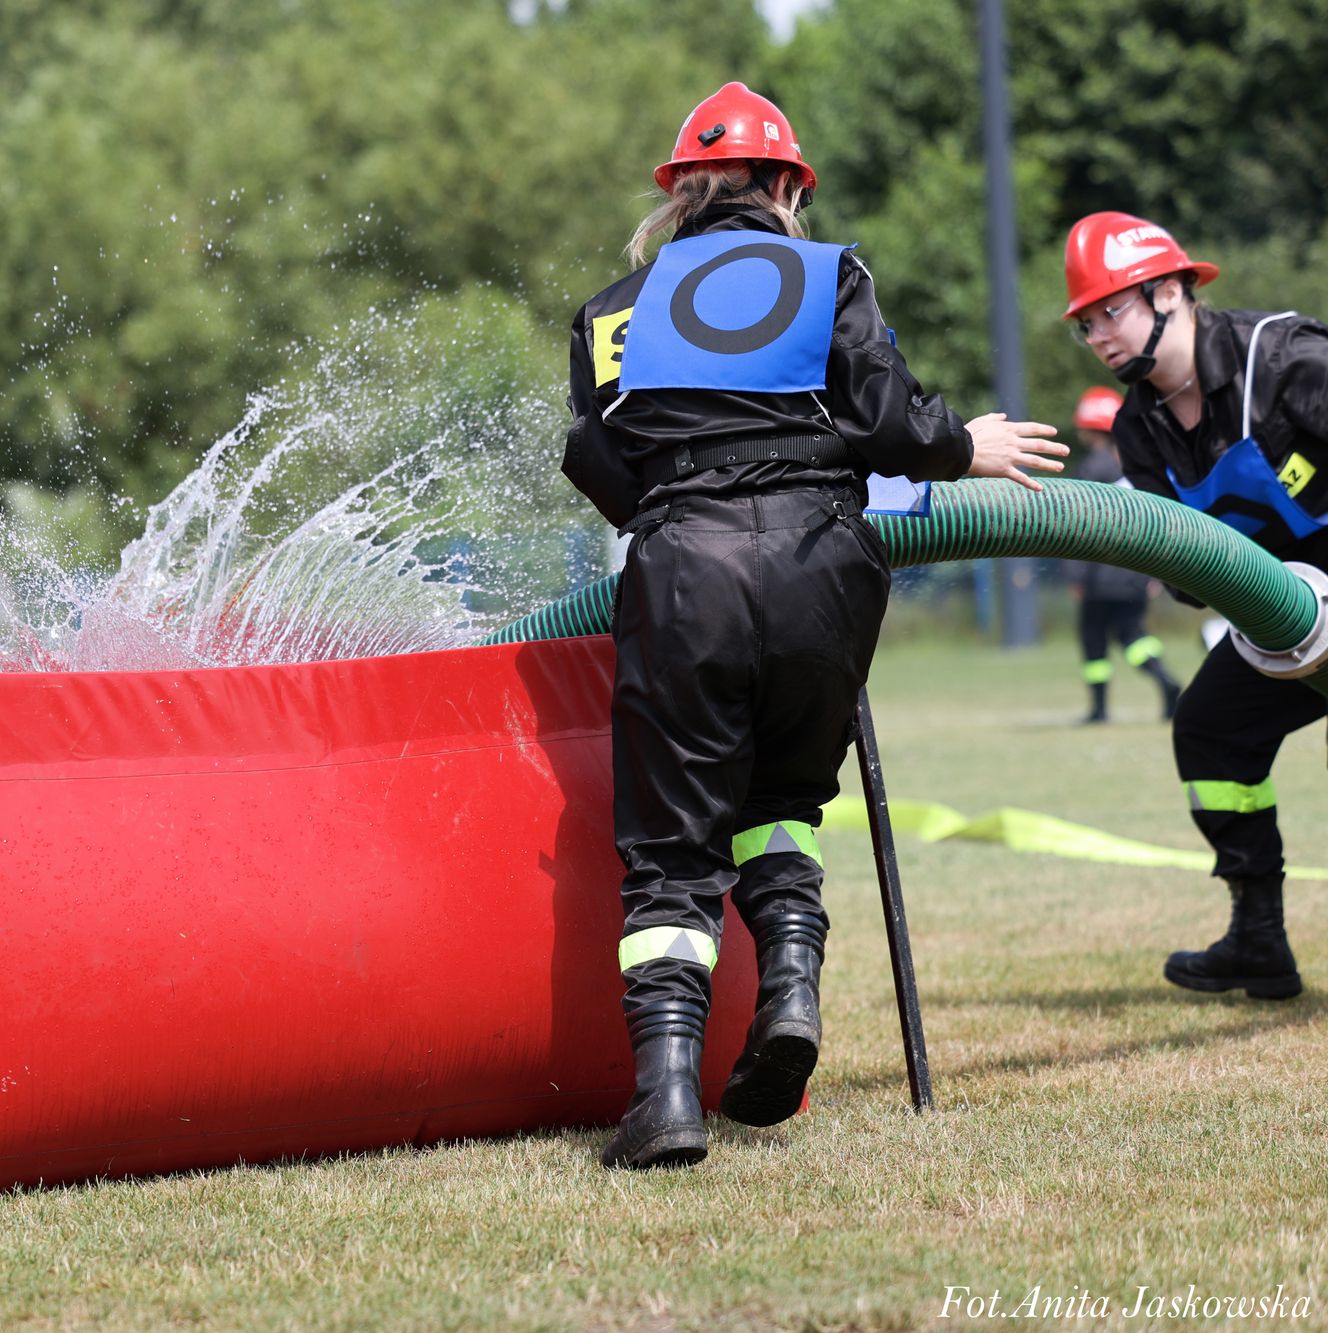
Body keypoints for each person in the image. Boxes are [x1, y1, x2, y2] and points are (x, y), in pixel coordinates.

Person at [561, 82, 1065, 1169]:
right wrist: (953, 445)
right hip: (822, 563)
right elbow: (884, 417)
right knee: (783, 800)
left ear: (680, 194)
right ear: (787, 185)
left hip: (683, 567)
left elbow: (592, 456)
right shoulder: (825, 270)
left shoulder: (612, 309)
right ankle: (788, 986)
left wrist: (668, 512)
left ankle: (665, 1099)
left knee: (669, 849)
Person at [1063, 210, 1328, 1001]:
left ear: (1172, 290)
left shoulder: (1290, 364)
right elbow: (1182, 566)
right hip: (1284, 623)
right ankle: (1258, 937)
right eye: (1086, 323)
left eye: (1113, 309)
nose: (1101, 335)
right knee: (1211, 729)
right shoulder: (1137, 429)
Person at [1064, 385, 1182, 723]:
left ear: (1089, 428)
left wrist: (1075, 576)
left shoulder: (1092, 468)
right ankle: (1165, 680)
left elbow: (1076, 525)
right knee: (1132, 633)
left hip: (1101, 575)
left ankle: (1099, 709)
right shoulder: (1135, 467)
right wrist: (1155, 572)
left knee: (1093, 639)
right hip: (1134, 572)